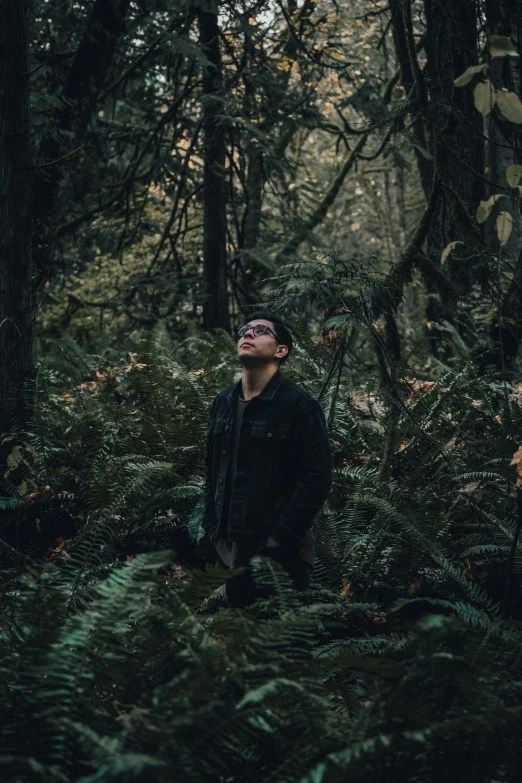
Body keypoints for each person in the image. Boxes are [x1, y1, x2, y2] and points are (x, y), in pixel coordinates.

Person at [202, 310, 332, 608]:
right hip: (232, 551)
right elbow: (211, 470)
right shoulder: (222, 402)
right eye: (245, 329)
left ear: (280, 350)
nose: (247, 334)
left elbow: (318, 478)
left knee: (284, 645)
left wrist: (279, 539)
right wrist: (213, 528)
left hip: (283, 555)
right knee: (241, 643)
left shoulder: (299, 405)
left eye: (260, 330)